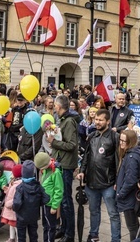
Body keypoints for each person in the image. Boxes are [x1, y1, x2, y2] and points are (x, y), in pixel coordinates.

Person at [77, 108, 122, 242]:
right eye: (96, 119)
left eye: (100, 120)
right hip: (91, 182)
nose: (97, 122)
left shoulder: (115, 137)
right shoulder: (92, 136)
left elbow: (119, 160)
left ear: (107, 121)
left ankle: (116, 239)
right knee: (93, 211)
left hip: (108, 183)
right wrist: (82, 172)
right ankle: (93, 235)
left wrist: (117, 181)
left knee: (113, 214)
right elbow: (86, 157)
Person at [48, 94, 80, 242]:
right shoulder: (61, 120)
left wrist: (54, 142)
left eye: (55, 105)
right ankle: (63, 228)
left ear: (59, 107)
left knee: (66, 200)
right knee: (61, 199)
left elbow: (72, 145)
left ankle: (69, 234)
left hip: (66, 165)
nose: (54, 107)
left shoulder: (69, 122)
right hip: (60, 163)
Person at [117, 129, 140, 241]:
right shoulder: (132, 154)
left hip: (130, 199)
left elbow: (130, 180)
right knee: (134, 227)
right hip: (131, 197)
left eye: (123, 141)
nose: (121, 143)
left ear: (130, 142)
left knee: (133, 228)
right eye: (120, 140)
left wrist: (120, 193)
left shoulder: (131, 157)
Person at [13, 160, 50, 242]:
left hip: (21, 217)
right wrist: (37, 203)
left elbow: (16, 203)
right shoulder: (38, 186)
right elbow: (46, 198)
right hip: (34, 216)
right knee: (33, 236)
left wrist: (15, 209)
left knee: (21, 237)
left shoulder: (20, 187)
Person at [34, 152, 64, 242]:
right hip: (45, 202)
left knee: (50, 227)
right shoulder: (46, 170)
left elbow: (59, 190)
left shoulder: (55, 172)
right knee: (45, 225)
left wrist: (54, 206)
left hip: (50, 204)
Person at [2, 164, 23, 242]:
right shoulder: (13, 182)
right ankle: (12, 238)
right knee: (11, 224)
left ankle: (19, 239)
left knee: (15, 225)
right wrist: (6, 189)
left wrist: (7, 204)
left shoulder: (17, 185)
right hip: (11, 209)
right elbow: (10, 192)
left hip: (14, 209)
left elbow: (16, 198)